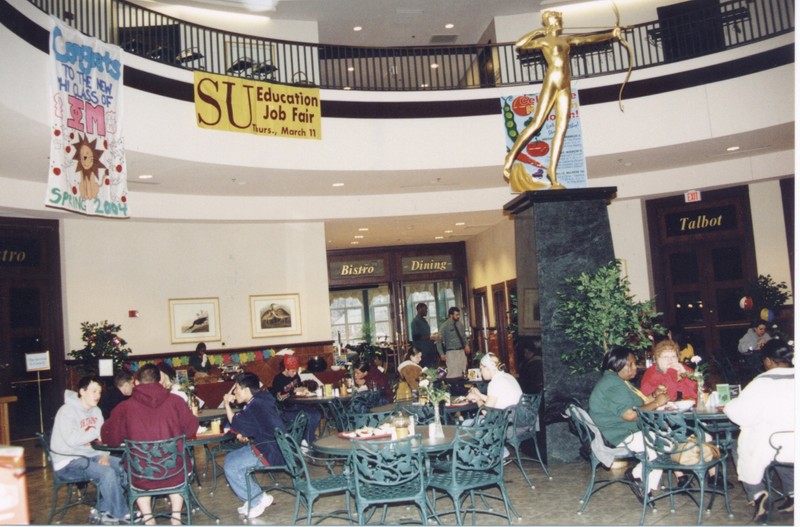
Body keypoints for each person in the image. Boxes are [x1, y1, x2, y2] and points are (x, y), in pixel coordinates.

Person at [502, 10, 623, 191]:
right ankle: (511, 157)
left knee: (562, 127)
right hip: (552, 81)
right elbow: (520, 44)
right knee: (537, 123)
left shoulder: (566, 40)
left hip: (565, 84)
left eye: (560, 20)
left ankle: (552, 172)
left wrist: (612, 34)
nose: (559, 22)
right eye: (555, 20)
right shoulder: (544, 40)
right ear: (547, 22)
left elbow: (588, 39)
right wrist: (538, 31)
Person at [101, 363, 199, 526]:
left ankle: (148, 518)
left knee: (137, 467)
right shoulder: (176, 401)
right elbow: (191, 429)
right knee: (177, 465)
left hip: (141, 474)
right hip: (175, 472)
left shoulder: (124, 407)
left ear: (136, 382)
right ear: (160, 380)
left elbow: (110, 438)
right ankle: (176, 518)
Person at [724, 339, 794, 522]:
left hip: (770, 445)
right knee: (785, 450)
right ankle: (793, 494)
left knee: (741, 446)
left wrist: (728, 406)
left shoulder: (761, 383)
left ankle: (758, 495)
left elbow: (739, 414)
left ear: (769, 361)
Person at [589, 347, 670, 503]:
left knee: (667, 440)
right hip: (621, 434)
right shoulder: (613, 384)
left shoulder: (616, 380)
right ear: (618, 365)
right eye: (631, 364)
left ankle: (638, 476)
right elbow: (630, 415)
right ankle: (641, 482)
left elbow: (635, 403)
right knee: (664, 443)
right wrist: (657, 402)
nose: (635, 367)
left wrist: (653, 397)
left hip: (624, 431)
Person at [50, 375, 127, 525]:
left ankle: (102, 510)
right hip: (67, 461)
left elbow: (103, 438)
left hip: (90, 455)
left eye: (99, 392)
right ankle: (121, 513)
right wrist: (96, 432)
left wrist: (104, 455)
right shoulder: (66, 411)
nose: (98, 395)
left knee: (125, 467)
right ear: (82, 391)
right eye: (94, 391)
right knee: (107, 473)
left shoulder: (96, 411)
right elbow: (71, 441)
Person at [223, 371, 287, 520]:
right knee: (230, 458)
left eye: (237, 388)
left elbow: (236, 422)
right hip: (274, 446)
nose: (235, 392)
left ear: (246, 390)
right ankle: (251, 497)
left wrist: (227, 404)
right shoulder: (261, 398)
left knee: (231, 467)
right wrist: (243, 431)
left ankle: (258, 499)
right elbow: (255, 424)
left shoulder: (254, 405)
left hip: (270, 451)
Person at [270, 355, 321, 446]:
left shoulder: (296, 376)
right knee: (309, 416)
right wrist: (292, 391)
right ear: (286, 368)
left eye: (296, 371)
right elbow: (279, 398)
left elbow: (299, 386)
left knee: (316, 414)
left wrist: (303, 389)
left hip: (298, 405)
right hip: (285, 410)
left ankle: (306, 440)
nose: (295, 373)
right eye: (293, 371)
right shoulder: (278, 379)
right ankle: (308, 442)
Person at [437, 307, 470, 379]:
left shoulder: (460, 324)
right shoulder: (444, 326)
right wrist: (441, 354)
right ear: (451, 315)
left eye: (459, 315)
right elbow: (438, 341)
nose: (458, 316)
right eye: (456, 315)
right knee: (453, 375)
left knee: (463, 373)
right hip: (451, 353)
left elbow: (463, 336)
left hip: (461, 352)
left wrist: (466, 345)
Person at [411, 303, 439, 368]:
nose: (427, 311)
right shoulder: (416, 322)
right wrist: (430, 337)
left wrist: (432, 336)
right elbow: (416, 337)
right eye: (425, 309)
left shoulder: (423, 320)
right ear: (419, 309)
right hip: (423, 354)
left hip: (429, 351)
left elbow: (424, 335)